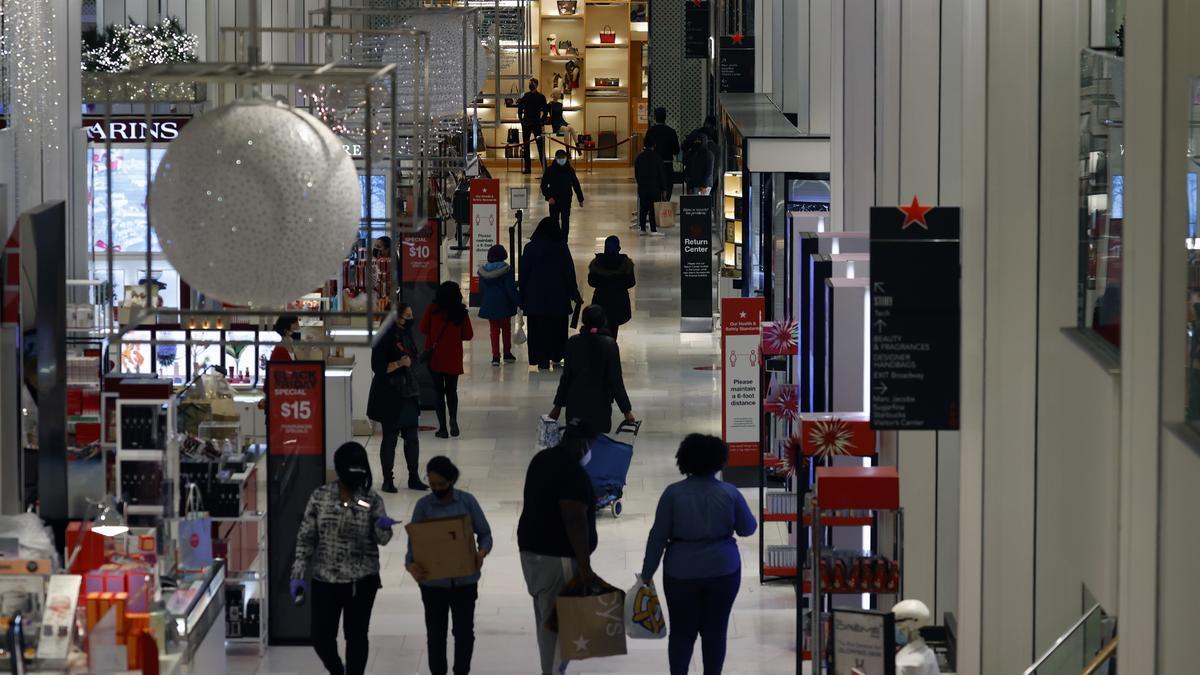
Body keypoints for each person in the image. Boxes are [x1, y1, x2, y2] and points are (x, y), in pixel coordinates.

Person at [640, 434, 757, 675]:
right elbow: (748, 528)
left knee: (682, 632)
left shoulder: (672, 494)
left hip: (680, 572)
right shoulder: (730, 493)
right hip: (723, 570)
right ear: (719, 461)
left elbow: (658, 537)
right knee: (715, 632)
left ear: (684, 461)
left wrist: (646, 573)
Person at [291, 442, 397, 675]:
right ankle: (338, 671)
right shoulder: (320, 497)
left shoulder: (371, 500)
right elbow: (306, 538)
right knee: (320, 637)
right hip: (325, 579)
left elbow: (383, 539)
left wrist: (382, 527)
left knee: (357, 635)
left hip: (362, 579)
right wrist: (298, 574)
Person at [517, 419, 600, 675]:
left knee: (545, 615)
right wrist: (585, 567)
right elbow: (574, 519)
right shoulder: (572, 473)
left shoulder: (541, 460)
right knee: (557, 625)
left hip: (531, 552)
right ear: (583, 444)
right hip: (557, 557)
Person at [406, 456, 493, 675]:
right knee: (436, 636)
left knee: (464, 633)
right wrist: (411, 566)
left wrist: (482, 552)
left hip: (464, 582)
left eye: (442, 485)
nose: (437, 489)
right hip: (433, 584)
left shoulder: (467, 502)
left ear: (452, 480)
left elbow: (485, 534)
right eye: (433, 484)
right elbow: (413, 546)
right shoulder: (423, 507)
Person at [550, 305, 635, 434]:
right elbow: (616, 381)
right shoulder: (610, 345)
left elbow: (566, 377)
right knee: (598, 443)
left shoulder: (573, 343)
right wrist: (626, 411)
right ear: (603, 321)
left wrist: (557, 406)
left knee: (575, 445)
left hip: (575, 403)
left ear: (584, 321)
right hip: (600, 405)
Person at [367, 303, 425, 492]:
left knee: (412, 436)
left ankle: (414, 477)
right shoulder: (384, 338)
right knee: (390, 437)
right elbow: (378, 368)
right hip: (389, 394)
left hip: (408, 392)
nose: (410, 319)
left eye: (411, 315)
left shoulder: (405, 335)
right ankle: (387, 479)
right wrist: (400, 363)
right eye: (407, 316)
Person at [520, 217, 582, 370]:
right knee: (557, 329)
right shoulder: (561, 247)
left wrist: (522, 296)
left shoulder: (530, 248)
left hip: (535, 298)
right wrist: (574, 293)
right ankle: (556, 355)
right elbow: (569, 272)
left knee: (537, 330)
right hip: (558, 297)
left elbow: (524, 274)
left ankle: (540, 359)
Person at [421, 281, 475, 438]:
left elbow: (423, 328)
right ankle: (453, 418)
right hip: (453, 357)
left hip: (435, 356)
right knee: (452, 390)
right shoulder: (461, 312)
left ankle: (442, 428)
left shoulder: (432, 310)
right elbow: (468, 335)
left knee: (438, 392)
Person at [477, 244, 520, 367]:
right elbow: (510, 289)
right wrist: (518, 301)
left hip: (490, 304)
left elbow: (482, 289)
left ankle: (495, 356)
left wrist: (485, 301)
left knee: (494, 330)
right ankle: (507, 353)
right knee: (506, 329)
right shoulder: (506, 270)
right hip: (504, 304)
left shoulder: (483, 271)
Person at [587, 236, 636, 340]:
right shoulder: (625, 263)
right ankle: (610, 348)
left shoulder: (598, 263)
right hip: (618, 302)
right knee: (613, 329)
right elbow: (631, 282)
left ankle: (600, 348)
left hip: (600, 300)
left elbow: (591, 282)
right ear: (618, 248)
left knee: (599, 327)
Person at [540, 149, 585, 239]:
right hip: (554, 200)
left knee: (565, 221)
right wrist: (549, 197)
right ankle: (554, 239)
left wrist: (580, 199)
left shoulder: (570, 170)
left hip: (566, 199)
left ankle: (564, 240)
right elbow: (543, 185)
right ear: (556, 158)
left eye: (563, 158)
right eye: (559, 158)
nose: (561, 160)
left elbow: (576, 184)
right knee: (554, 221)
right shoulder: (550, 170)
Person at [642, 107, 680, 201]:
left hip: (653, 165)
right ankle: (665, 209)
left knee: (655, 188)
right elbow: (676, 150)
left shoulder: (650, 131)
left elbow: (646, 147)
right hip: (667, 165)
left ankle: (655, 210)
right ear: (665, 117)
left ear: (655, 117)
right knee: (668, 187)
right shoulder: (671, 132)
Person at [634, 137, 668, 237]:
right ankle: (653, 229)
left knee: (643, 207)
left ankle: (643, 229)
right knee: (653, 208)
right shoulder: (657, 157)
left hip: (643, 186)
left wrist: (640, 183)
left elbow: (636, 174)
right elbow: (661, 174)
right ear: (654, 146)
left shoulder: (639, 157)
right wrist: (664, 189)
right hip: (655, 187)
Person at [517, 77, 549, 174]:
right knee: (526, 147)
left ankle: (545, 168)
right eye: (530, 83)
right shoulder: (525, 96)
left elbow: (545, 111)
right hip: (526, 123)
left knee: (540, 147)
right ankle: (527, 168)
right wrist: (521, 120)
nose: (530, 85)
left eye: (531, 83)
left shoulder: (541, 97)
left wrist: (541, 121)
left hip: (535, 123)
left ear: (536, 84)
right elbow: (519, 109)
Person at [547, 90, 576, 156]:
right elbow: (547, 113)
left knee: (571, 127)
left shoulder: (560, 104)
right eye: (558, 94)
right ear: (554, 94)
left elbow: (560, 115)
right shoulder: (550, 104)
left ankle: (578, 147)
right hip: (555, 123)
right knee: (566, 129)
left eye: (559, 94)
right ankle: (567, 151)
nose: (559, 95)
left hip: (561, 121)